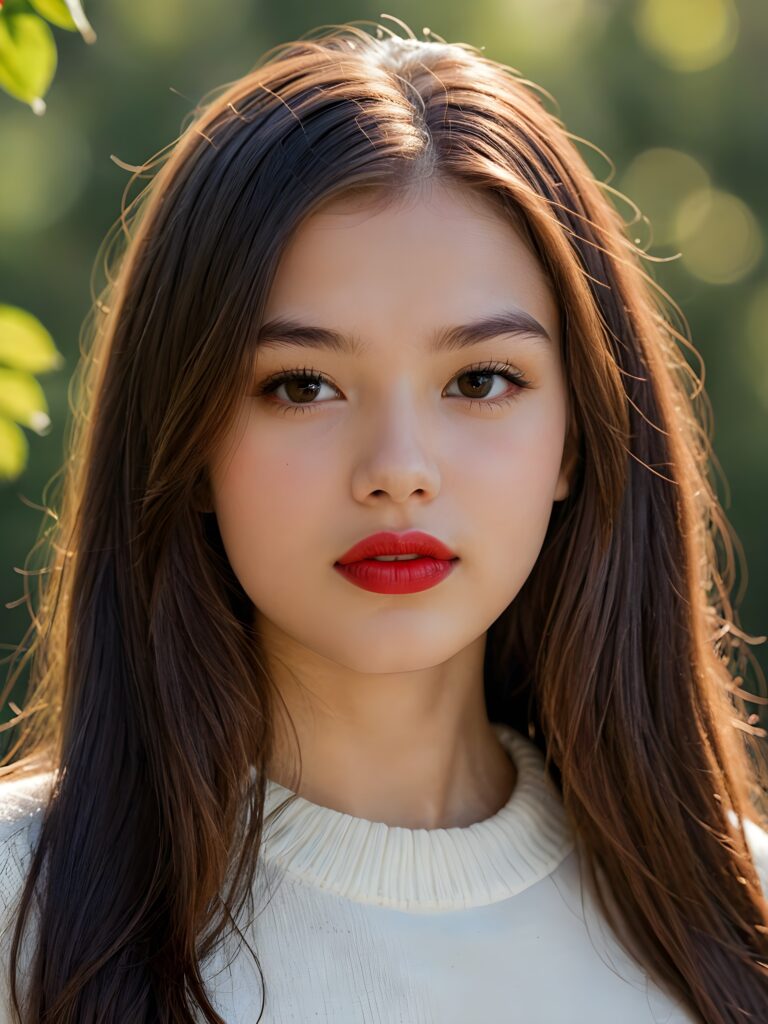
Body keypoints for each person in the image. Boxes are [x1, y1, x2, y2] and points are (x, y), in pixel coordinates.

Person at [0, 16, 766, 1023]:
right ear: (185, 441)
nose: (398, 470)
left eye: (482, 379)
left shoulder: (737, 915)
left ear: (577, 437)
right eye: (302, 385)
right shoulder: (27, 909)